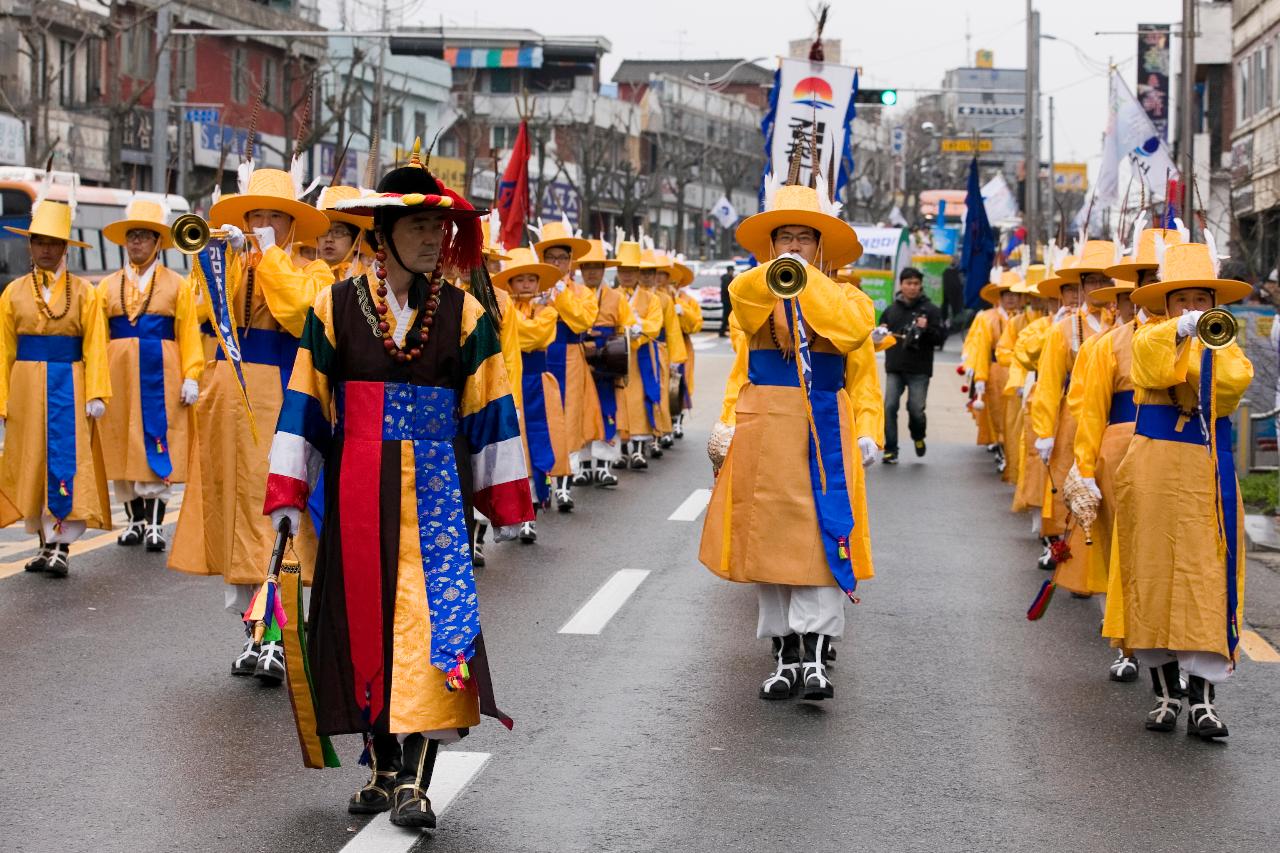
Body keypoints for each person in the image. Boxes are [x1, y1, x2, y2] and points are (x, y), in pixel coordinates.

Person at [264, 143, 534, 826]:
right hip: (355, 484)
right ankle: (383, 768)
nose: (431, 238)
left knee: (432, 621)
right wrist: (290, 494)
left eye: (436, 226)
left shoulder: (466, 315)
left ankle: (417, 778)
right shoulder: (334, 308)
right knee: (364, 619)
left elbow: (492, 409)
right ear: (380, 236)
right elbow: (304, 401)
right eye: (415, 226)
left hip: (436, 492)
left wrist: (504, 502)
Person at [700, 165, 871, 702]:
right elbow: (741, 303)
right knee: (768, 542)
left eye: (804, 237)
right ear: (769, 245)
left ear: (822, 246)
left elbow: (849, 333)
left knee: (822, 539)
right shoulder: (755, 290)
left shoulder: (850, 298)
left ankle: (818, 655)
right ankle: (782, 655)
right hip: (764, 427)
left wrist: (869, 428)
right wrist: (727, 422)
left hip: (822, 423)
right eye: (784, 238)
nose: (793, 247)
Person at [168, 165, 333, 682]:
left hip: (280, 397)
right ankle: (253, 633)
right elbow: (200, 309)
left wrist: (266, 255)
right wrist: (222, 259)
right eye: (255, 216)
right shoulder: (234, 264)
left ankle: (284, 638)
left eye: (273, 218)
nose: (262, 225)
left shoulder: (314, 273)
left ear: (290, 226)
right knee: (232, 510)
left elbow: (297, 313)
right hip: (228, 402)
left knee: (276, 512)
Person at [1112, 241, 1252, 738]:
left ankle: (1203, 701)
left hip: (1204, 468)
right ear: (1165, 305)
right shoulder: (1148, 335)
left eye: (1201, 299)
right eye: (1182, 300)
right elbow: (1148, 364)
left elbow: (1230, 386)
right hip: (1151, 465)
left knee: (1205, 574)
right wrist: (1180, 333)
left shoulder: (1226, 345)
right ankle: (1165, 694)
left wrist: (1201, 344)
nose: (1193, 308)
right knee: (1150, 571)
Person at [1075, 226, 1181, 683]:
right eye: (1144, 279)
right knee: (1120, 547)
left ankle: (1176, 649)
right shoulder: (1108, 344)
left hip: (1177, 451)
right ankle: (1125, 644)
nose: (1150, 288)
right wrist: (1084, 468)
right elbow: (1090, 408)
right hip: (1119, 447)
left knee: (1173, 551)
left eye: (1160, 278)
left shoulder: (1195, 334)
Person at [0, 198, 111, 577]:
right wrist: (1, 401)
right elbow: (3, 350)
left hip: (69, 381)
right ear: (30, 245)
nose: (46, 249)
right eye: (39, 241)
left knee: (65, 459)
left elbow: (96, 343)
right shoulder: (12, 293)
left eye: (53, 242)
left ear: (65, 246)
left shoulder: (83, 293)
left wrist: (97, 391)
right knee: (32, 460)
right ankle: (43, 544)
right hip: (27, 387)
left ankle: (62, 545)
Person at [98, 199, 203, 551]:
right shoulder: (107, 286)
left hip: (162, 373)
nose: (137, 242)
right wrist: (95, 384)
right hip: (119, 376)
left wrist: (192, 374)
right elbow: (97, 339)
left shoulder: (177, 285)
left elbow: (188, 332)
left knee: (159, 441)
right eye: (132, 236)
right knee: (121, 445)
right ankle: (134, 520)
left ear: (158, 242)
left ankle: (156, 524)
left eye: (144, 236)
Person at [1030, 241, 1114, 577]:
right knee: (1071, 486)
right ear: (1080, 286)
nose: (1097, 288)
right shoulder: (1064, 329)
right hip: (1073, 417)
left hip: (1113, 417)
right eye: (1091, 281)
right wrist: (1045, 430)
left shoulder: (1121, 324)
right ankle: (1065, 551)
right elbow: (1049, 382)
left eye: (1103, 281)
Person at [493, 246, 569, 543]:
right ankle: (514, 512)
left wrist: (515, 322)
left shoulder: (548, 310)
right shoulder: (503, 308)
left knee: (538, 443)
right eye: (519, 280)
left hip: (537, 382)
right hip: (511, 379)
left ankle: (532, 512)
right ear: (510, 284)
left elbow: (535, 335)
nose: (526, 285)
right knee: (514, 448)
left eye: (531, 280)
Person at [532, 220, 602, 511]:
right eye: (552, 258)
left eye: (562, 258)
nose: (558, 263)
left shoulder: (581, 292)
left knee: (570, 418)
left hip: (571, 355)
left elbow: (583, 320)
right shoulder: (532, 285)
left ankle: (564, 485)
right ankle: (541, 484)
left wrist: (560, 294)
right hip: (542, 356)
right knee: (541, 419)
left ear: (571, 262)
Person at [574, 238, 637, 485]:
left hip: (609, 359)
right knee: (580, 410)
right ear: (580, 270)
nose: (591, 271)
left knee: (607, 408)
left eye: (596, 266)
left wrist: (633, 332)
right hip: (579, 357)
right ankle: (583, 465)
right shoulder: (573, 294)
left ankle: (604, 465)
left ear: (603, 269)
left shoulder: (616, 297)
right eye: (586, 266)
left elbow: (627, 325)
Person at [878, 266, 943, 463]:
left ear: (921, 285)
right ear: (901, 285)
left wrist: (927, 329)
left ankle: (918, 436)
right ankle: (890, 448)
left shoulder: (931, 311)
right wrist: (880, 332)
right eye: (908, 283)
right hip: (895, 367)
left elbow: (940, 339)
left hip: (919, 369)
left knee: (916, 409)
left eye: (916, 283)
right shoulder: (891, 311)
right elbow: (880, 335)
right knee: (889, 406)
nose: (912, 287)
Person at [615, 242, 667, 468]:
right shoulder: (612, 296)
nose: (626, 275)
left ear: (638, 272)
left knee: (639, 399)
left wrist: (640, 326)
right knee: (618, 401)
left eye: (631, 270)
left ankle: (637, 450)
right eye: (622, 270)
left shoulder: (651, 298)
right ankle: (621, 448)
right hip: (616, 355)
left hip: (641, 355)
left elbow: (656, 324)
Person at [315, 184, 374, 281]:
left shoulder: (369, 281)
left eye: (338, 232)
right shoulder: (305, 280)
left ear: (357, 243)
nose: (329, 239)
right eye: (324, 232)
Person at [718, 264, 735, 336]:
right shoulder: (726, 278)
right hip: (726, 300)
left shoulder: (728, 277)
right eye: (732, 271)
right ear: (730, 271)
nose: (732, 272)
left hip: (727, 300)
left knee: (727, 316)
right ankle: (722, 332)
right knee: (726, 316)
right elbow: (727, 289)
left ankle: (724, 331)